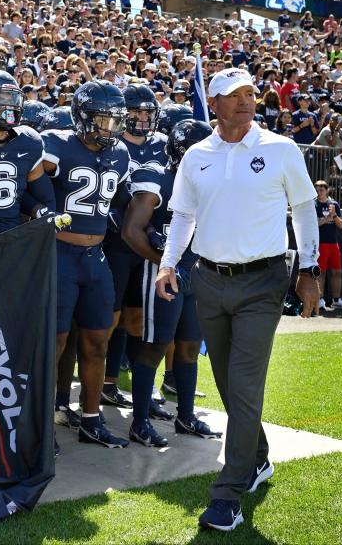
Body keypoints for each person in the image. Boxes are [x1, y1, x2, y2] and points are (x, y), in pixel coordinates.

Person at [156, 67, 319, 532]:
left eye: (250, 92)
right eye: (234, 95)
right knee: (229, 384)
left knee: (244, 386)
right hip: (207, 280)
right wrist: (169, 263)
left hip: (263, 283)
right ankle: (260, 457)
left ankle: (228, 493)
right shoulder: (195, 155)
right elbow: (183, 214)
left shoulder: (281, 149)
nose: (246, 101)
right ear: (215, 104)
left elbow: (304, 211)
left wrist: (308, 270)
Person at [39, 82, 131, 447]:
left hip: (96, 258)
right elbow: (27, 184)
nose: (108, 128)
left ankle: (91, 419)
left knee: (98, 342)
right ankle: (41, 421)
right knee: (55, 342)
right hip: (59, 255)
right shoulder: (56, 144)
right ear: (81, 116)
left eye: (113, 121)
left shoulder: (120, 153)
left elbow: (122, 200)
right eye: (100, 120)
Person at [122, 119, 222, 448]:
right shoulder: (157, 176)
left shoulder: (210, 180)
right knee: (154, 346)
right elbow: (132, 230)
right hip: (163, 272)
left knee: (190, 347)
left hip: (195, 272)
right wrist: (163, 263)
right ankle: (139, 422)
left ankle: (186, 415)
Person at [98, 85, 171, 423]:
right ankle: (104, 381)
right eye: (136, 112)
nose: (142, 119)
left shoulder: (161, 145)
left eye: (146, 113)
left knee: (137, 318)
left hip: (147, 242)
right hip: (114, 241)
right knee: (110, 317)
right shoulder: (111, 143)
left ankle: (137, 386)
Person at [313, 181, 342, 311]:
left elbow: (340, 225)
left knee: (337, 272)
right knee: (321, 273)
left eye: (322, 189)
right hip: (320, 243)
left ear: (327, 190)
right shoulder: (313, 204)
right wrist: (325, 219)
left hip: (333, 244)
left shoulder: (334, 204)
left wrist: (333, 215)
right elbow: (312, 225)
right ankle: (320, 300)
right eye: (317, 189)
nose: (319, 191)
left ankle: (336, 300)